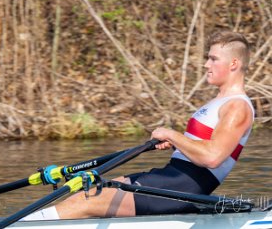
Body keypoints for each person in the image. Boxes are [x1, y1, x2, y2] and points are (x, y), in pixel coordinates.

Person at [24, 30, 255, 220]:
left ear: (234, 63)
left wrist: (172, 135)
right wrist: (179, 145)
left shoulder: (237, 107)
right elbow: (201, 147)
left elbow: (213, 157)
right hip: (171, 178)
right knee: (89, 191)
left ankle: (22, 226)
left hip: (184, 187)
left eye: (213, 58)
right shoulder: (221, 101)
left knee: (90, 197)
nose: (206, 64)